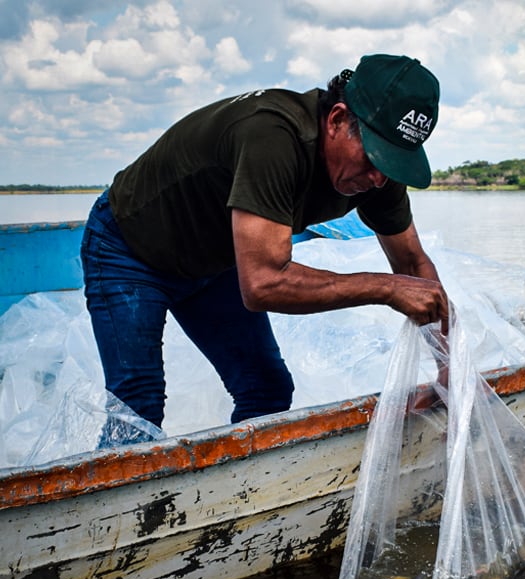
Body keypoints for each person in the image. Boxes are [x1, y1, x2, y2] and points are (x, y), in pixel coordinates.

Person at [81, 54, 447, 440]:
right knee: (137, 407)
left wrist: (448, 369)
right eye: (374, 156)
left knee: (267, 389)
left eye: (391, 164)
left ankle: (236, 496)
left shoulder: (378, 177)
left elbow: (411, 262)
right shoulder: (273, 136)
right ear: (338, 120)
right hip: (131, 248)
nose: (377, 178)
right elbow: (263, 283)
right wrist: (387, 288)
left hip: (215, 261)